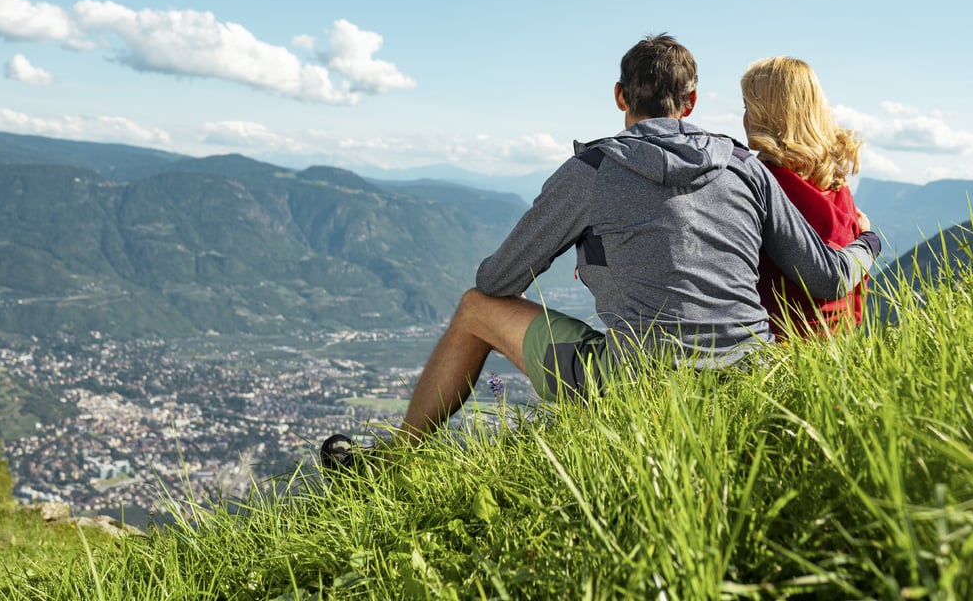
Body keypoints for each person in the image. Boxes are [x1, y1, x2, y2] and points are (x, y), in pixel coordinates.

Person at [321, 34, 881, 469]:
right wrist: (870, 241)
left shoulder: (593, 172)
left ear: (619, 96)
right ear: (691, 102)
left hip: (639, 387)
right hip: (750, 382)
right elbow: (829, 278)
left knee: (474, 309)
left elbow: (496, 281)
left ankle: (392, 462)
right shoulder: (744, 168)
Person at [740, 56, 867, 339]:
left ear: (767, 113)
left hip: (780, 342)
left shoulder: (763, 181)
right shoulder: (836, 181)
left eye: (748, 107)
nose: (744, 118)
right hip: (839, 335)